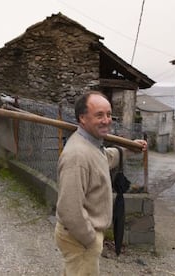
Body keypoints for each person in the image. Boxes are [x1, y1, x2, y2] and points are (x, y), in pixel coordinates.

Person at [54, 91, 147, 275]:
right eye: (99, 115)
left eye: (108, 114)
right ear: (82, 118)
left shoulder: (91, 144)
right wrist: (91, 239)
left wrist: (129, 148)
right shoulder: (77, 156)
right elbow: (69, 210)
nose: (106, 120)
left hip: (81, 237)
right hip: (80, 240)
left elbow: (103, 159)